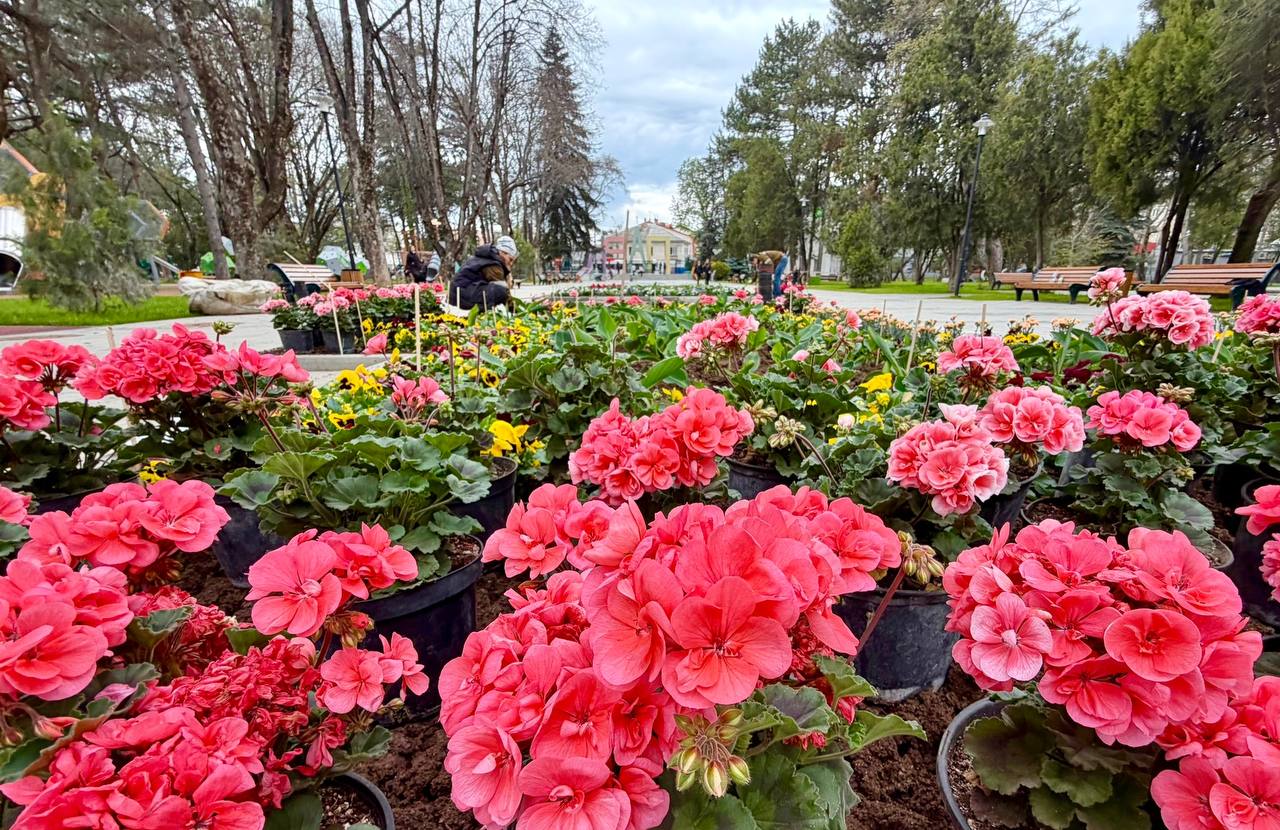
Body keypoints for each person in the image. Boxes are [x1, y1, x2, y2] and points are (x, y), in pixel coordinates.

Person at [449, 235, 517, 310]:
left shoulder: (486, 258)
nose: (511, 264)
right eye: (510, 259)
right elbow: (504, 293)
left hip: (460, 294)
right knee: (500, 291)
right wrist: (514, 310)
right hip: (462, 296)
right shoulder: (493, 264)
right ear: (503, 253)